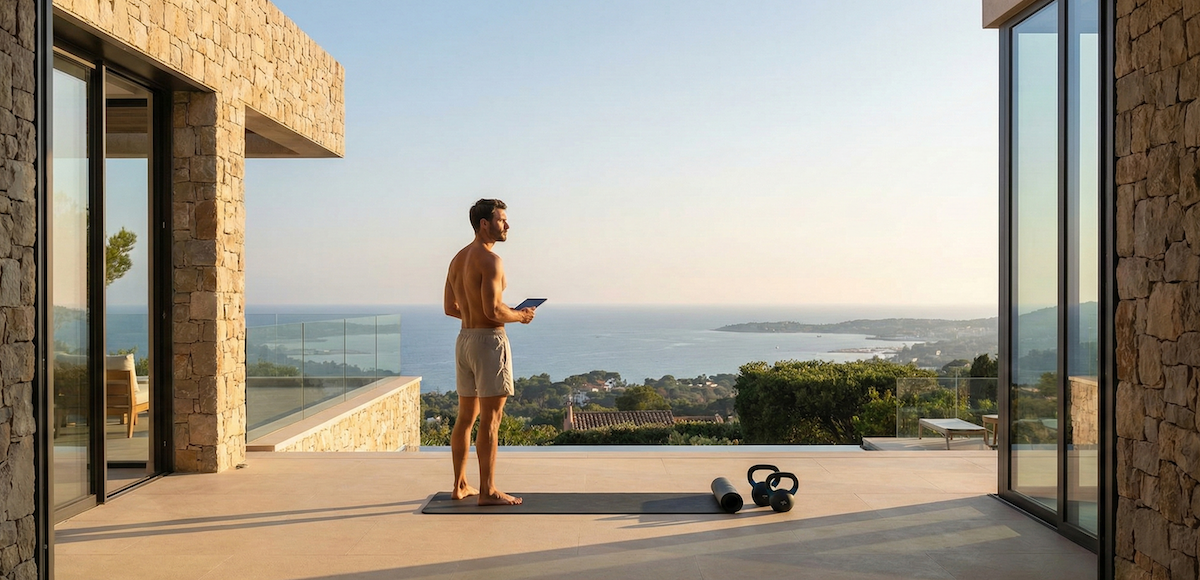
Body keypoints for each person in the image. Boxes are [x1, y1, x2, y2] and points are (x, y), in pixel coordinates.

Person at [443, 198, 536, 506]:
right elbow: (494, 311)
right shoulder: (491, 261)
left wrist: (482, 317)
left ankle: (460, 485)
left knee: (465, 418)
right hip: (488, 343)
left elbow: (450, 308)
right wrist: (521, 316)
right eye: (501, 220)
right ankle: (488, 490)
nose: (507, 225)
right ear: (485, 224)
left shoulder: (457, 259)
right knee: (491, 420)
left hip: (464, 340)